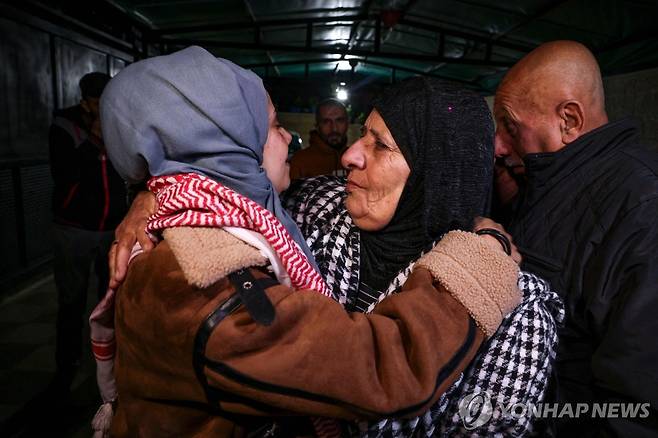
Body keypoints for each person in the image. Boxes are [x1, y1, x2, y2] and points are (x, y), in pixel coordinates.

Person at [93, 46, 521, 437]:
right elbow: (381, 368)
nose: (288, 140)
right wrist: (476, 262)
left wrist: (154, 189)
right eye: (274, 127)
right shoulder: (199, 284)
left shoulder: (213, 216)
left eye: (380, 144)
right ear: (224, 145)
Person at [494, 40, 658, 435]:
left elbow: (636, 409)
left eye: (511, 127)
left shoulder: (642, 207)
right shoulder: (552, 183)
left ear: (569, 120)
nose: (499, 145)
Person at [48, 71, 127, 395]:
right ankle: (65, 369)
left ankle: (110, 363)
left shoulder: (116, 123)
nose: (104, 107)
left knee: (111, 299)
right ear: (85, 101)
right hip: (74, 229)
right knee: (71, 301)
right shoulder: (64, 127)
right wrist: (94, 142)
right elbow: (64, 175)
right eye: (98, 101)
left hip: (110, 227)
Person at [289, 98, 349, 179]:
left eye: (339, 120)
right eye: (326, 122)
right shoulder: (299, 162)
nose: (334, 128)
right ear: (317, 126)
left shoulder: (358, 160)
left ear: (347, 123)